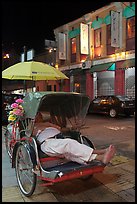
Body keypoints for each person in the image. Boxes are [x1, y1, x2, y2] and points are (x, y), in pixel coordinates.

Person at [33, 112, 116, 165]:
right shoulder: (33, 127)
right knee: (69, 143)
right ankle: (101, 151)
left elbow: (62, 129)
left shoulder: (48, 123)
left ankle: (101, 158)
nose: (39, 116)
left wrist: (72, 128)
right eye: (37, 115)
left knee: (71, 155)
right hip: (47, 143)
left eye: (40, 115)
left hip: (58, 140)